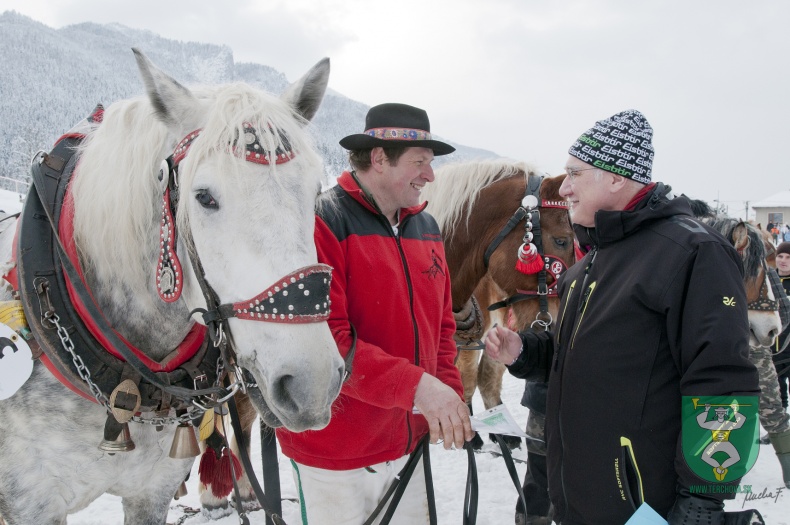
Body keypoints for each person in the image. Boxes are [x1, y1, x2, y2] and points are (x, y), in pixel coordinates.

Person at [485, 110, 763, 524]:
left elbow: (722, 384)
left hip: (645, 506)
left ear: (615, 178)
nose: (564, 187)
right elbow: (585, 355)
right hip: (580, 502)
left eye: (574, 174)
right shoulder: (588, 264)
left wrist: (703, 500)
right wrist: (525, 351)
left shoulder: (692, 253)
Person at [276, 103, 473, 525]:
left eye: (431, 163)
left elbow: (441, 327)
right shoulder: (321, 222)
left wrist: (447, 396)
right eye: (419, 162)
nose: (430, 175)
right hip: (335, 452)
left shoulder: (427, 227)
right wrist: (420, 389)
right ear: (380, 158)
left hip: (407, 443)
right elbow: (327, 342)